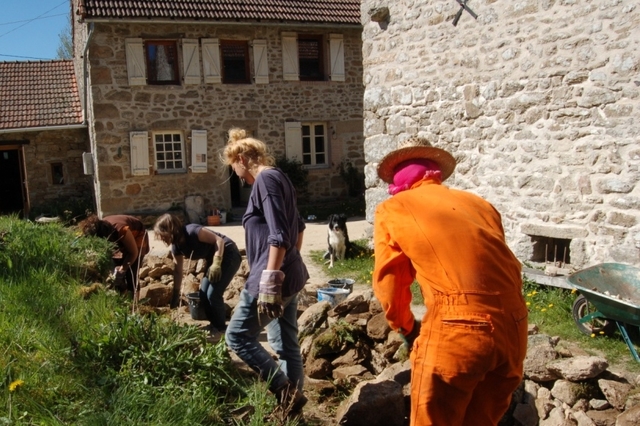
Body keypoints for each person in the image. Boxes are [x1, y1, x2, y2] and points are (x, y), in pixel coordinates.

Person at [372, 136, 529, 426]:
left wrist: (405, 327)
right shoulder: (480, 204)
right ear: (435, 173)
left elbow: (390, 281)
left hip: (459, 330)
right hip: (515, 326)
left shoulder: (394, 208)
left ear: (398, 180)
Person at [221, 128, 309, 417]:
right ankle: (291, 413)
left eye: (234, 167)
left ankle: (286, 392)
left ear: (242, 159)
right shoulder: (279, 176)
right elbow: (298, 227)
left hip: (271, 279)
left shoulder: (265, 180)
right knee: (286, 345)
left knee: (237, 337)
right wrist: (288, 263)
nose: (236, 174)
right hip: (289, 274)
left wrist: (271, 277)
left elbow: (279, 234)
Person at [153, 213, 242, 333]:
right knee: (204, 295)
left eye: (162, 235)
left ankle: (221, 328)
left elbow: (219, 240)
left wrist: (217, 263)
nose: (161, 238)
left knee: (213, 294)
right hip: (213, 260)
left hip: (229, 255)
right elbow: (178, 271)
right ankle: (214, 324)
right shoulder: (177, 247)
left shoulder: (193, 231)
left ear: (170, 230)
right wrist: (175, 294)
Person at [82, 214, 149, 296]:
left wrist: (123, 268)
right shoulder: (97, 230)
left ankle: (135, 302)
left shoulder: (122, 230)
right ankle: (122, 298)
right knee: (116, 269)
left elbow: (133, 253)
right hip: (119, 236)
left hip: (138, 234)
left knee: (131, 272)